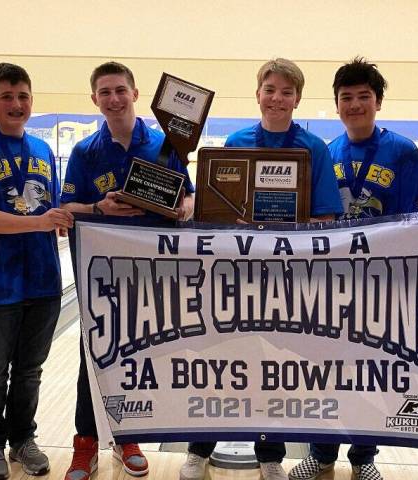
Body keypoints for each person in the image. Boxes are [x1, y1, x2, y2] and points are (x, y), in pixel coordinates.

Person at [179, 58, 342, 480]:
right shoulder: (236, 141)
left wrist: (284, 226)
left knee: (275, 366)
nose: (277, 98)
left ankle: (270, 455)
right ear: (258, 94)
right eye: (270, 89)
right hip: (236, 274)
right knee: (223, 360)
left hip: (288, 278)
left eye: (286, 91)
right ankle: (199, 449)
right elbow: (214, 214)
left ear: (297, 99)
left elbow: (326, 218)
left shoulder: (314, 149)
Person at [287, 57, 418, 480]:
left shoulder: (402, 152)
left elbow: (414, 220)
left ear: (378, 101)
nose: (354, 104)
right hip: (332, 284)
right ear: (336, 105)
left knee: (371, 372)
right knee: (327, 370)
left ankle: (364, 457)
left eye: (363, 96)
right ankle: (322, 453)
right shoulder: (326, 152)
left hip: (382, 284)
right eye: (345, 98)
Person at [60, 61, 194, 480]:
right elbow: (65, 210)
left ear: (135, 94)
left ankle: (126, 438)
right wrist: (99, 207)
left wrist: (180, 209)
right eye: (105, 92)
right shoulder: (85, 153)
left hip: (151, 274)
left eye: (121, 90)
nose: (114, 98)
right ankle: (85, 444)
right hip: (100, 274)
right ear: (95, 99)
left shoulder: (166, 146)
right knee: (93, 359)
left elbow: (188, 201)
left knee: (138, 358)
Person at [0, 63, 74, 480]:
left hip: (42, 279)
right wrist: (42, 222)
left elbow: (54, 211)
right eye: (6, 96)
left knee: (29, 370)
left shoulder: (43, 150)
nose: (16, 104)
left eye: (22, 96)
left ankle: (23, 439)